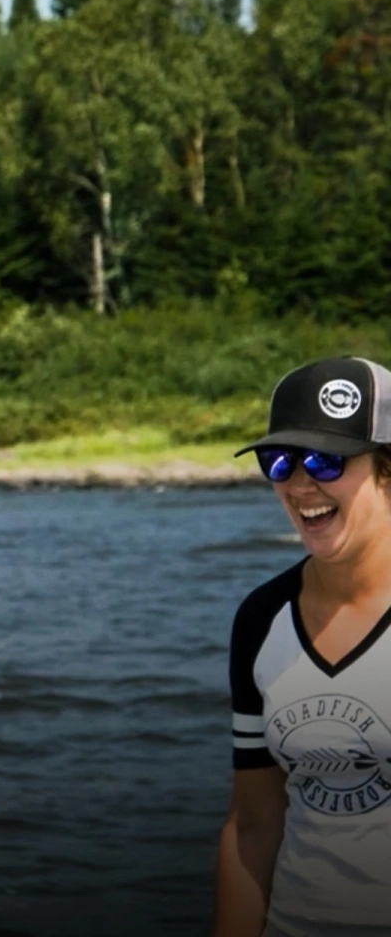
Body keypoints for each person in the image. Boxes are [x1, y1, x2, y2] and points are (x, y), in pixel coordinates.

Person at [215, 356, 391, 936]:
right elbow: (255, 825)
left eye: (325, 459)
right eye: (280, 461)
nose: (299, 482)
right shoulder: (263, 617)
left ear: (388, 469)